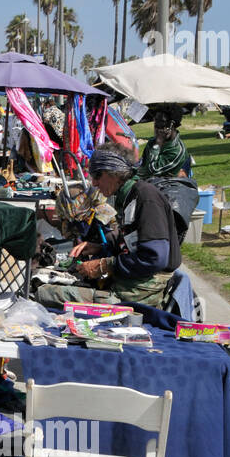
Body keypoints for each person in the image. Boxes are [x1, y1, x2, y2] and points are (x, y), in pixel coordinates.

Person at [35, 144, 182, 309]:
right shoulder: (128, 196)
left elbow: (155, 258)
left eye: (98, 175)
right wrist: (99, 246)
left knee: (45, 293)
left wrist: (104, 265)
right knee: (53, 285)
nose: (95, 183)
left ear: (115, 173)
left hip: (139, 293)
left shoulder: (146, 198)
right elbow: (131, 237)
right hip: (130, 283)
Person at [139, 106, 191, 178]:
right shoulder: (151, 142)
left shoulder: (177, 150)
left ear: (171, 124)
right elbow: (143, 166)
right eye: (155, 122)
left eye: (161, 123)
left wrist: (158, 144)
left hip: (166, 186)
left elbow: (153, 169)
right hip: (145, 182)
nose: (156, 127)